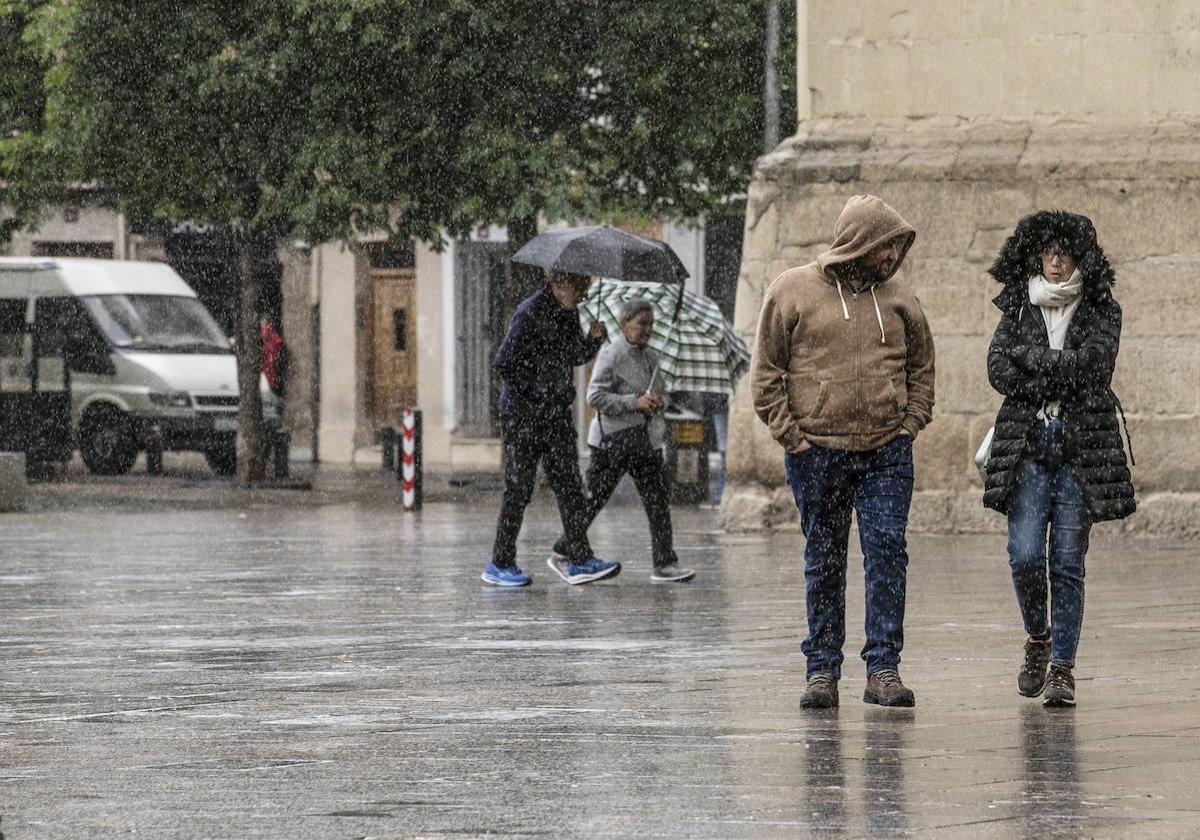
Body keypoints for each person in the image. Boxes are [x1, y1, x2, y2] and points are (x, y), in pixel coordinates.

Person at [751, 195, 935, 709]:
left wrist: (909, 425)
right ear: (863, 242)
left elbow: (922, 367)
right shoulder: (792, 291)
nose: (893, 255)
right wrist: (794, 438)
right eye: (887, 245)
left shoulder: (900, 297)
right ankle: (821, 671)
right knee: (824, 559)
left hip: (886, 453)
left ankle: (883, 668)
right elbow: (766, 375)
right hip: (817, 453)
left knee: (886, 554)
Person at [984, 211, 1135, 707]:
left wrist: (1032, 361)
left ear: (1080, 258)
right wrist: (1051, 370)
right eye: (1047, 252)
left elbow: (1094, 367)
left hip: (1079, 447)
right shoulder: (1019, 305)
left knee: (1067, 561)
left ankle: (1063, 669)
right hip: (1028, 447)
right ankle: (1038, 637)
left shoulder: (1101, 308)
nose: (1054, 261)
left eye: (1064, 252)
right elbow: (997, 368)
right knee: (1025, 555)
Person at [480, 270, 621, 588]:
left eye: (587, 289)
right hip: (524, 416)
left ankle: (580, 560)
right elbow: (504, 362)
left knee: (570, 485)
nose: (584, 295)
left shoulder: (567, 313)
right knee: (519, 488)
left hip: (555, 415)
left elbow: (571, 355)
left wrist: (593, 341)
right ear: (560, 285)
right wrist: (536, 392)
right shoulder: (529, 312)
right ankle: (500, 562)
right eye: (580, 288)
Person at [551, 299, 695, 583]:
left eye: (650, 324)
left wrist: (658, 402)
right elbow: (595, 396)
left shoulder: (651, 358)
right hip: (612, 442)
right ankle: (566, 545)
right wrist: (633, 402)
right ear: (624, 323)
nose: (647, 330)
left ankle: (665, 562)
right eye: (641, 323)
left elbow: (663, 395)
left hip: (645, 442)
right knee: (595, 497)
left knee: (658, 501)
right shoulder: (611, 354)